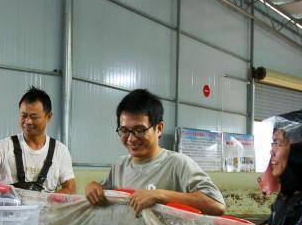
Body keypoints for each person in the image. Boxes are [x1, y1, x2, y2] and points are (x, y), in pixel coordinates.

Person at [85, 89, 225, 216]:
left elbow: (216, 205)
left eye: (140, 130)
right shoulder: (120, 165)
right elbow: (102, 192)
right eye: (124, 130)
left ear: (159, 128)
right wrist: (93, 186)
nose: (131, 138)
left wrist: (159, 195)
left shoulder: (178, 164)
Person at [0, 86, 76, 194]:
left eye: (34, 117)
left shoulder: (60, 151)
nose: (28, 121)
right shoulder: (4, 147)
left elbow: (70, 188)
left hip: (46, 210)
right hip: (9, 210)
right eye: (24, 115)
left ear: (48, 116)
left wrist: (47, 200)